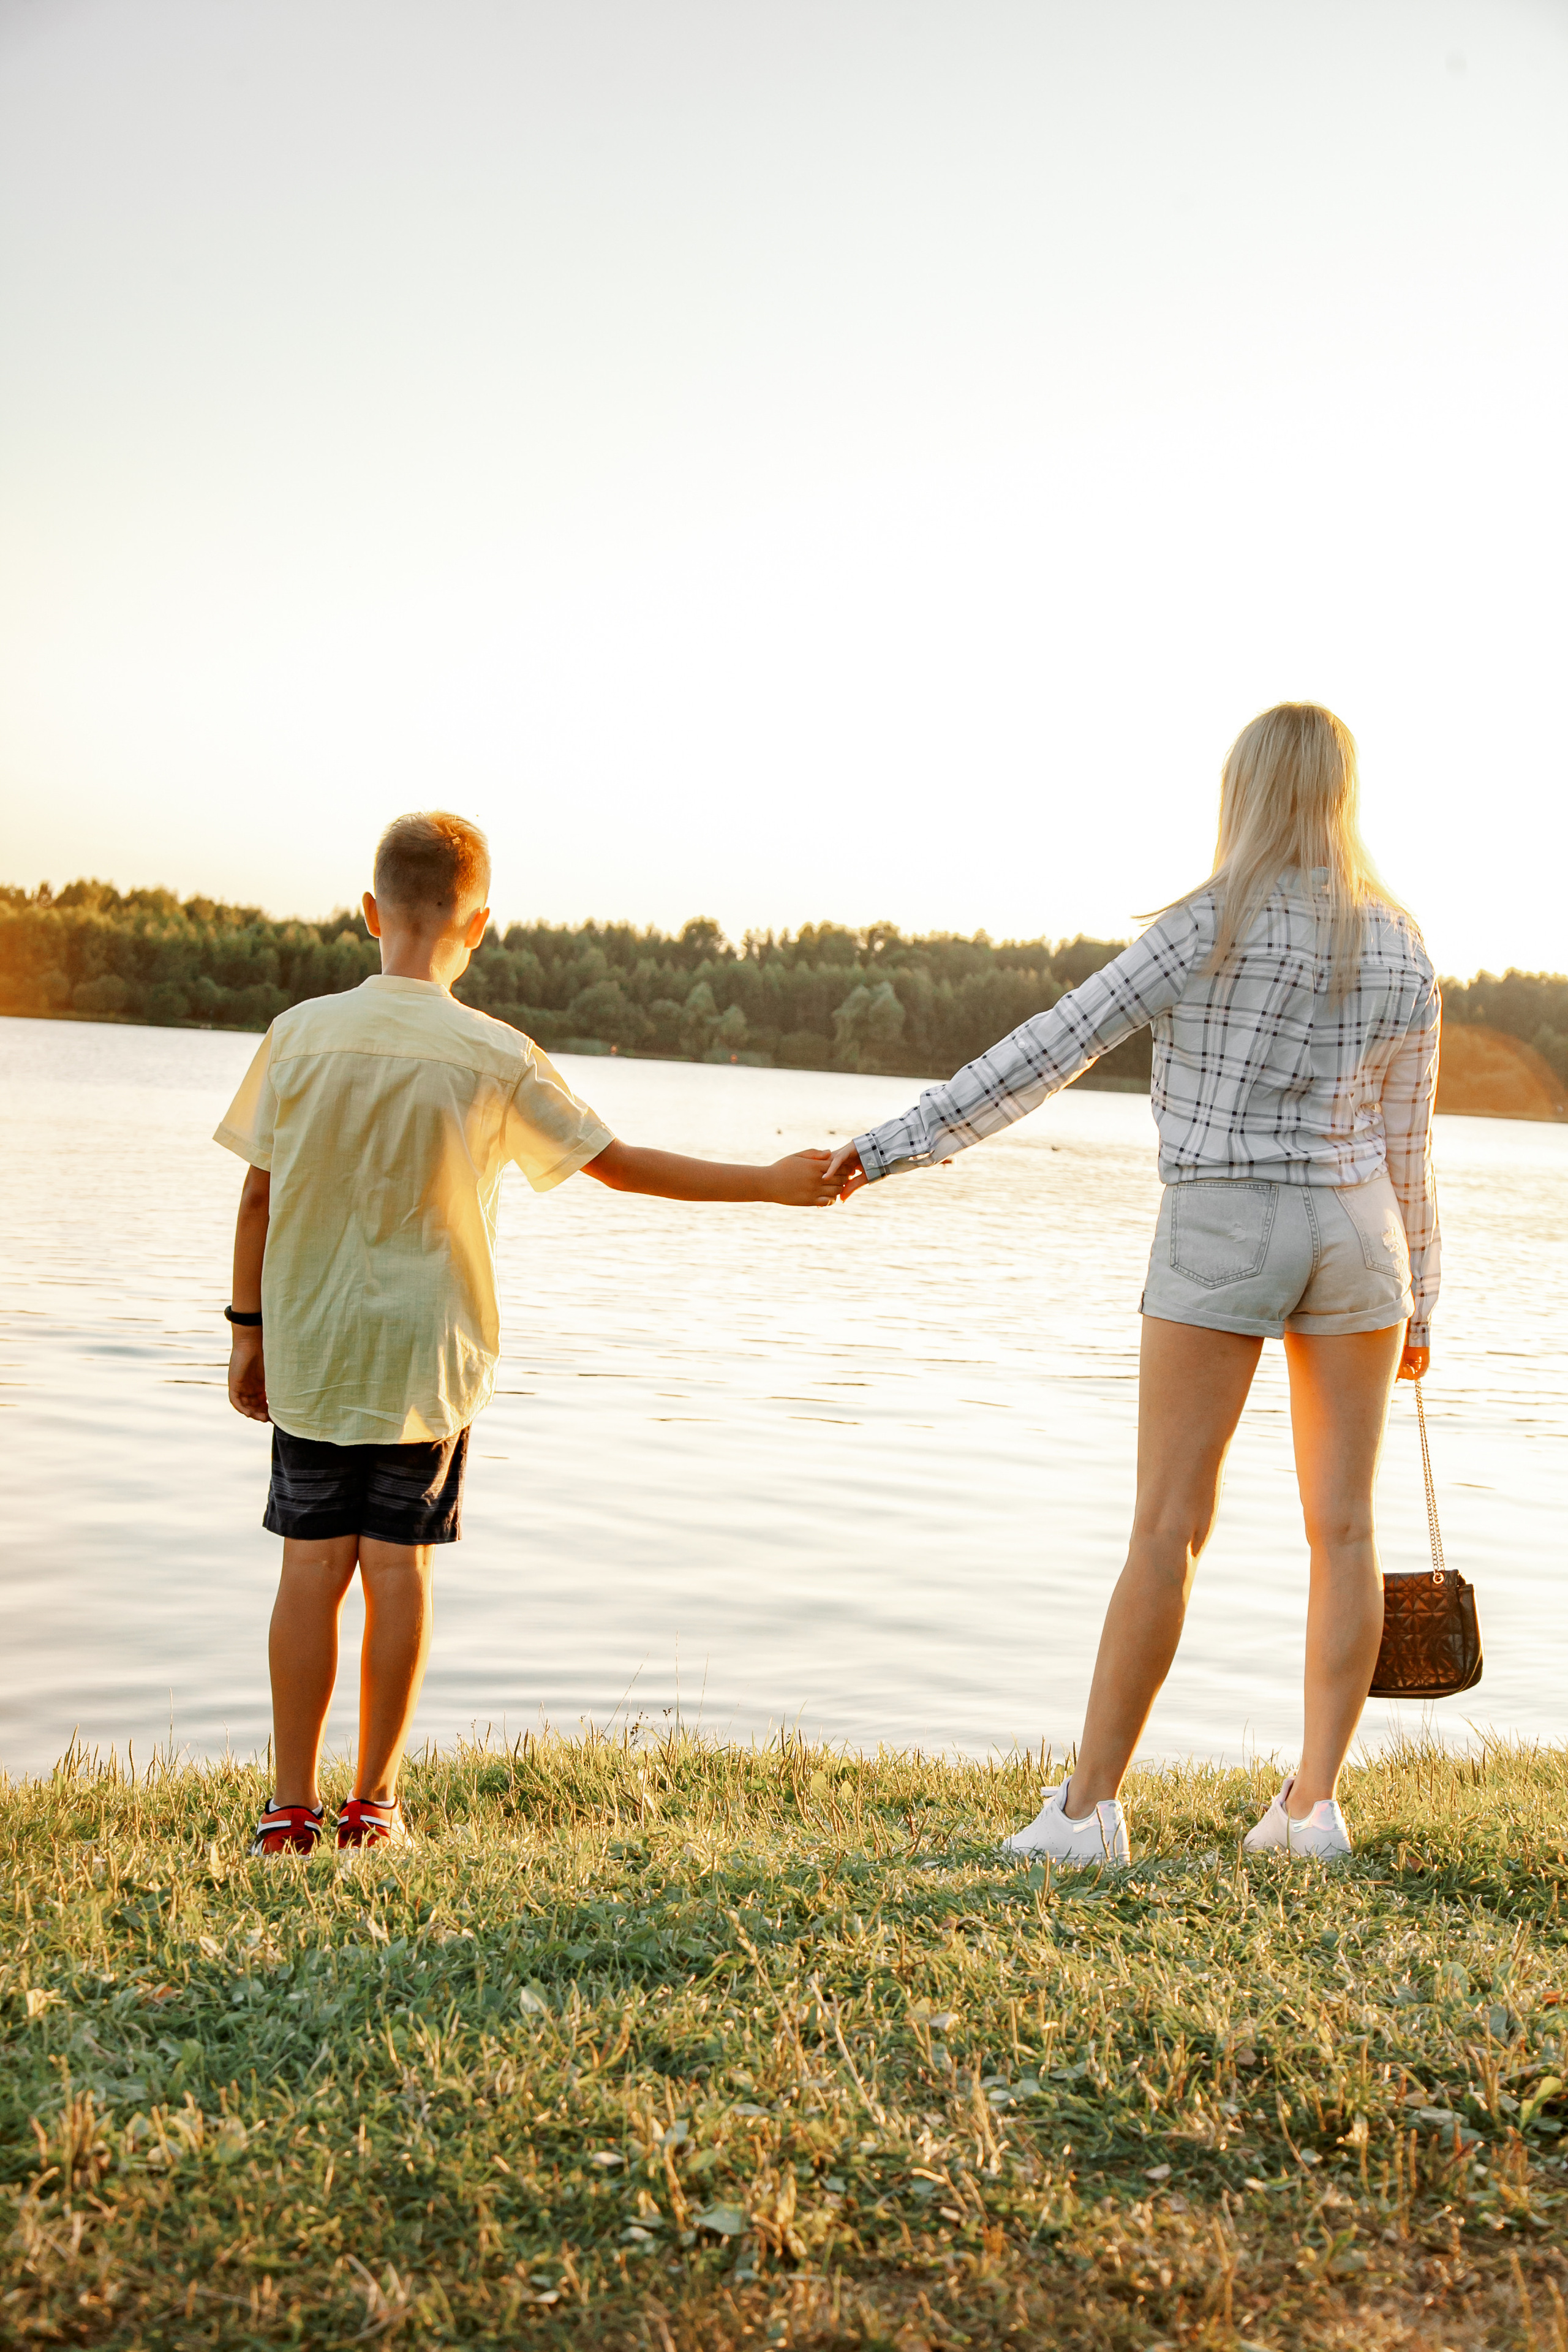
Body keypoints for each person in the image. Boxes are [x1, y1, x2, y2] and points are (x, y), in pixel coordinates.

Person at [828, 703, 1439, 1864]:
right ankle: (1312, 1810)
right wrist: (1429, 1300)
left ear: (1245, 790)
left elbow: (1052, 1047)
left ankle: (1086, 1813)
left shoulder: (1208, 922)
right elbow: (1411, 1146)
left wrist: (889, 1146)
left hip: (1225, 1219)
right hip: (1364, 1238)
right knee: (1347, 1528)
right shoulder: (1402, 942)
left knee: (1169, 1526)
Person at [218, 811, 839, 1856]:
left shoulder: (299, 1034)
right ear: (480, 925)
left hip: (315, 1348)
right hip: (426, 1360)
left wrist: (248, 1332)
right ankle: (372, 1806)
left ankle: (288, 1810)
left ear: (370, 912)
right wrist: (770, 1185)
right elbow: (621, 1166)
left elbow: (256, 1198)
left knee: (309, 1572)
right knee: (399, 1575)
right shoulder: (496, 1055)